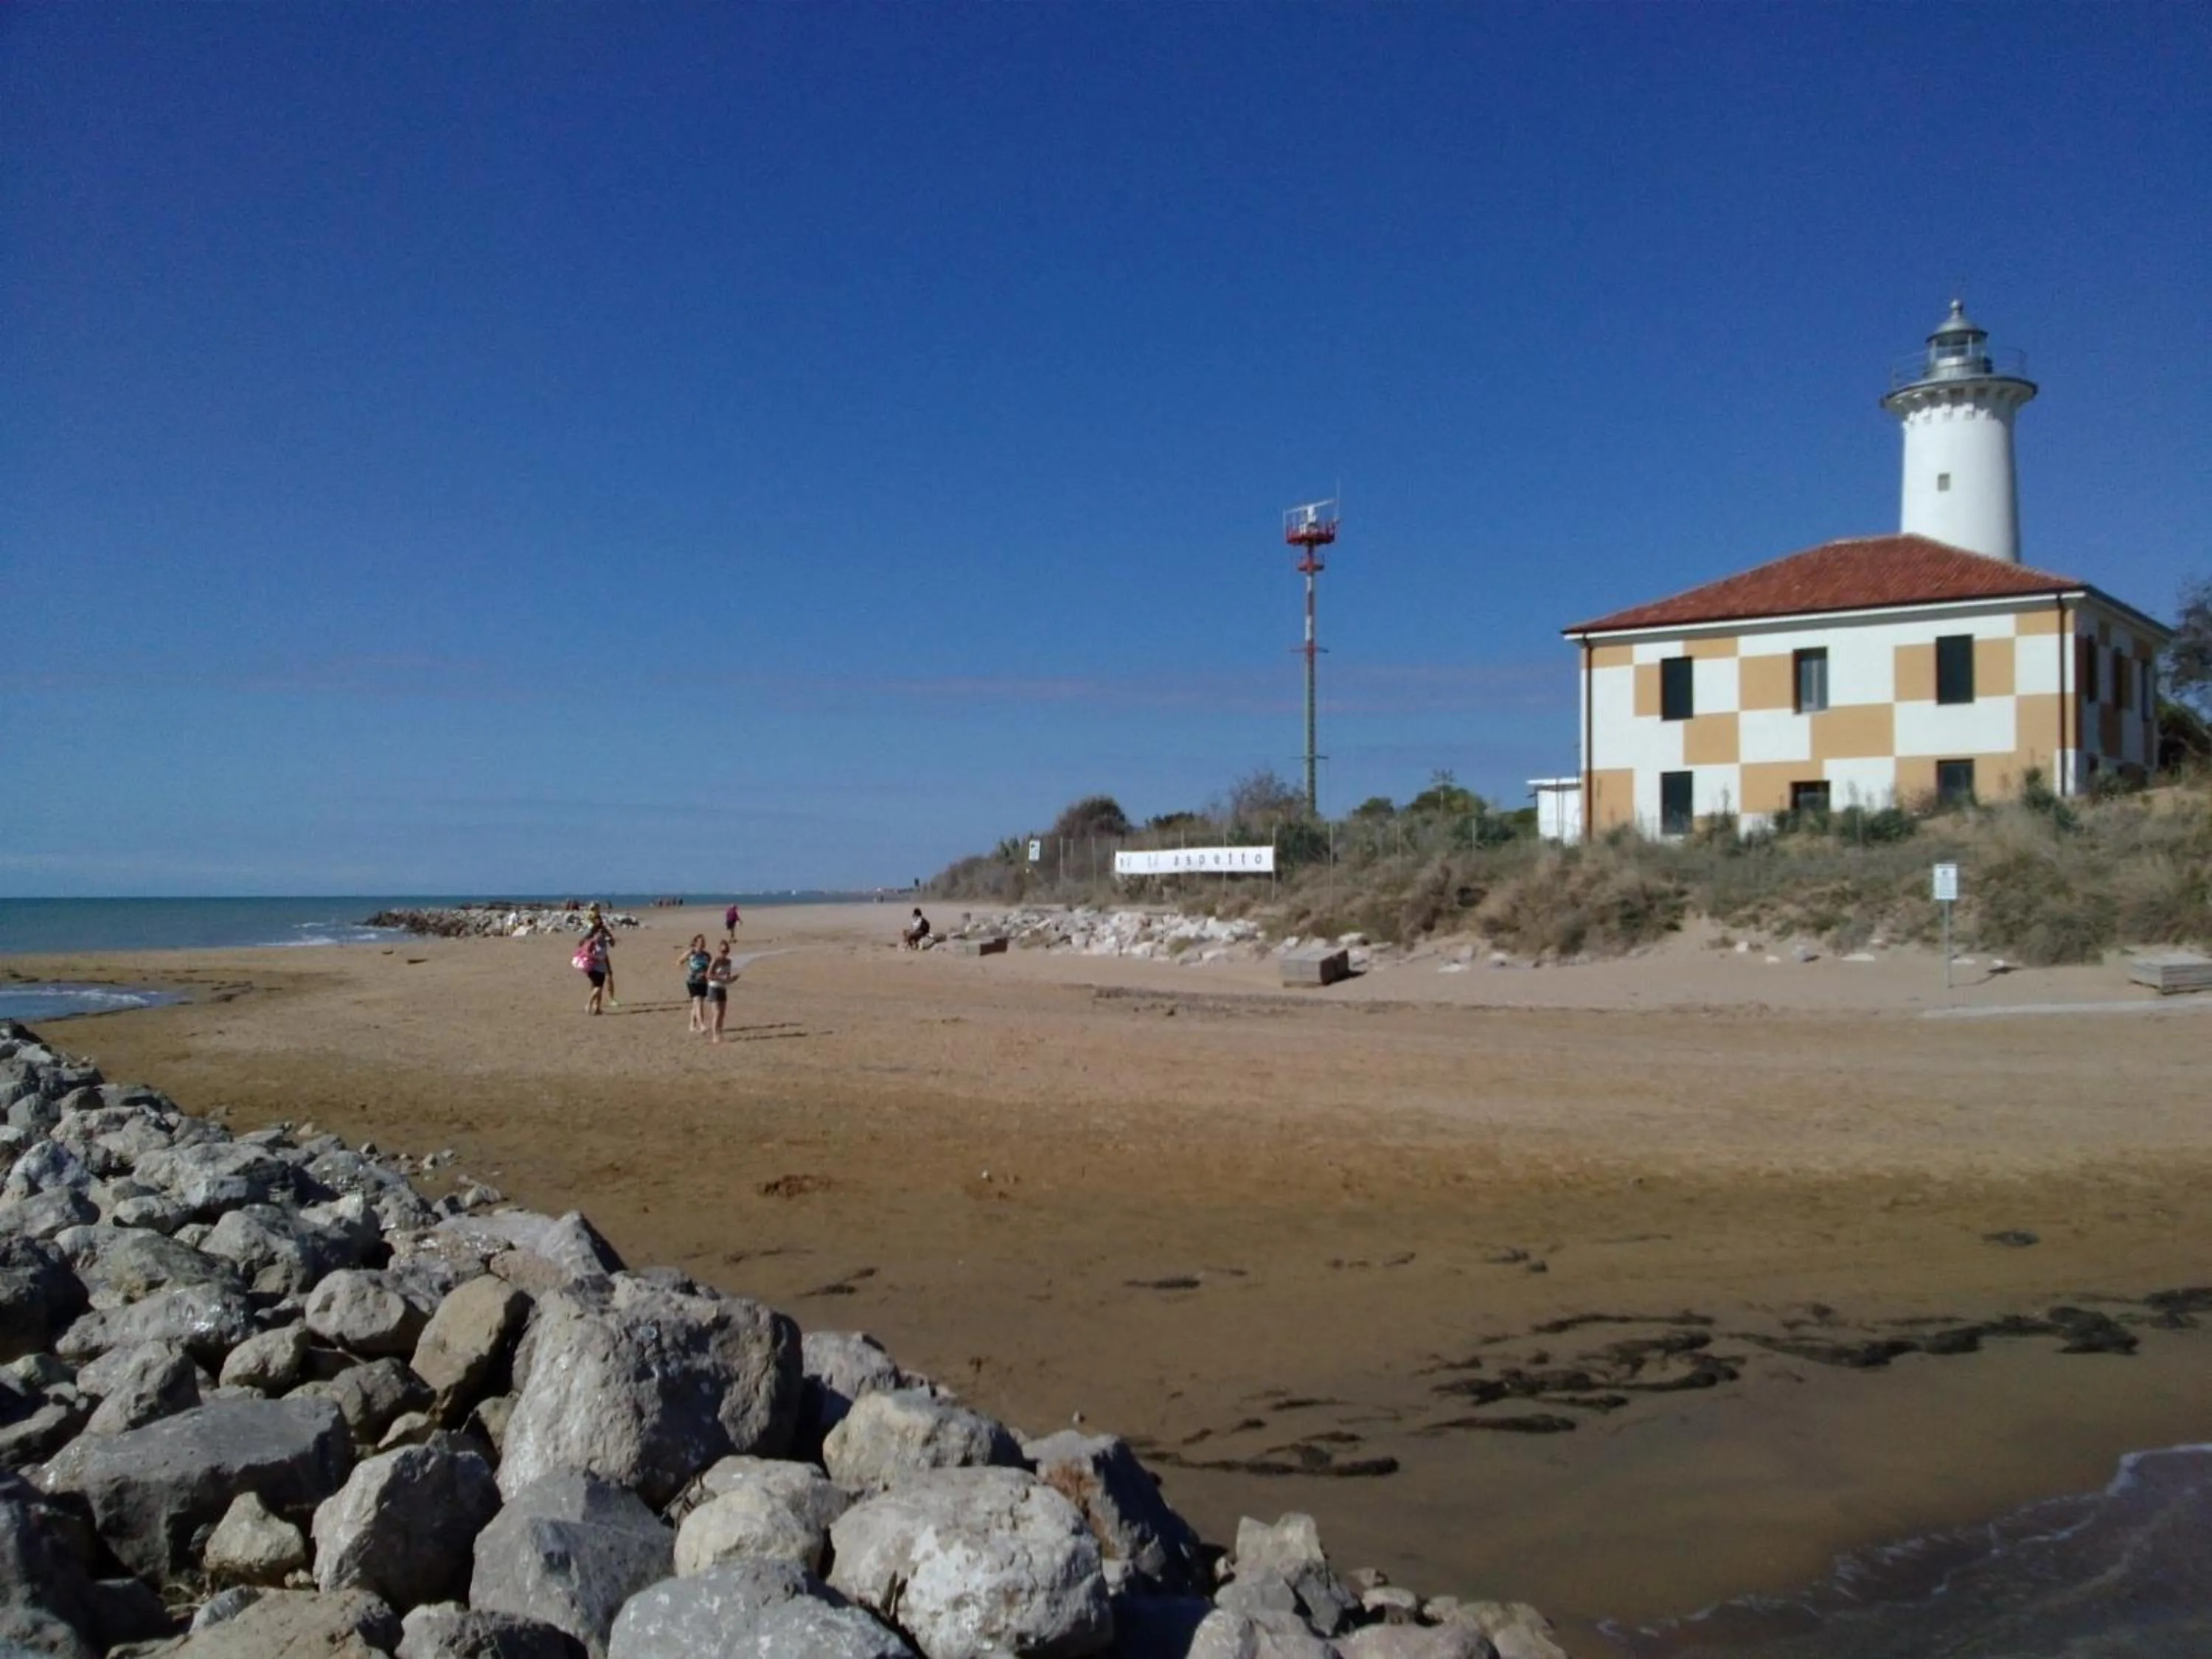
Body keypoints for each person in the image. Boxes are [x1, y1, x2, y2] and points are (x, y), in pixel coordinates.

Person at [677, 933, 713, 1034]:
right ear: (696, 943)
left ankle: (692, 1025)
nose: (702, 944)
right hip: (692, 981)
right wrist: (688, 969)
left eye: (704, 942)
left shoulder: (707, 955)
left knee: (696, 1004)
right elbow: (679, 961)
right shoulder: (691, 952)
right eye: (701, 942)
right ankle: (702, 1025)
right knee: (698, 1001)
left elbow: (711, 967)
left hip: (703, 981)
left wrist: (708, 974)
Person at [584, 905, 618, 1007]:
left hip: (602, 956)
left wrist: (609, 939)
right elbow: (583, 942)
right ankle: (594, 1003)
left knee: (608, 976)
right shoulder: (590, 928)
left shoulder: (602, 928)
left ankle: (610, 999)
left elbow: (612, 942)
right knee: (596, 981)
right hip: (592, 957)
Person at [705, 940, 737, 1043]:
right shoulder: (715, 960)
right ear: (719, 950)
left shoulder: (729, 962)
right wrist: (721, 978)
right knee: (717, 1013)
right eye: (723, 951)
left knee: (722, 1013)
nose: (725, 953)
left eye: (726, 951)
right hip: (714, 987)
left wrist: (732, 979)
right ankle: (715, 1035)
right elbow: (708, 975)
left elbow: (727, 977)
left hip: (722, 988)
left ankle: (720, 1032)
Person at [577, 930, 611, 1015]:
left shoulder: (602, 943)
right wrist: (595, 958)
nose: (601, 935)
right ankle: (589, 1004)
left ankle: (597, 1008)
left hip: (599, 968)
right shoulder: (593, 943)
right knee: (598, 987)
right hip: (595, 968)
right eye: (600, 934)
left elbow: (612, 944)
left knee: (599, 987)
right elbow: (586, 952)